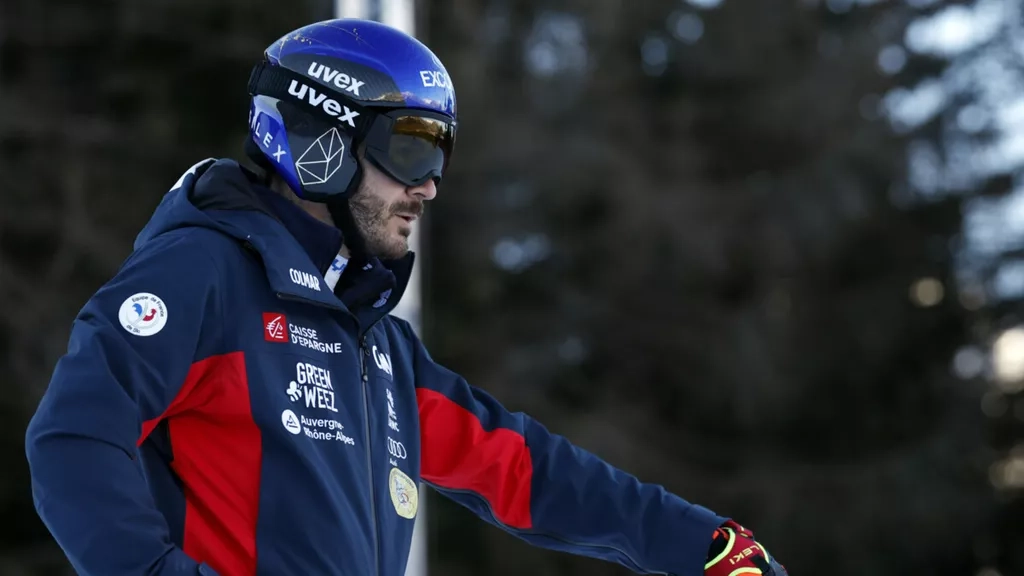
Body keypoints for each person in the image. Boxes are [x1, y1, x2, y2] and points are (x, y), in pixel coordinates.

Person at [24, 18, 787, 576]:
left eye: (440, 155)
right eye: (411, 148)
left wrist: (701, 545)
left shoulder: (372, 340)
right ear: (320, 138)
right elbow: (74, 436)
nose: (428, 186)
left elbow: (522, 468)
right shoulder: (203, 274)